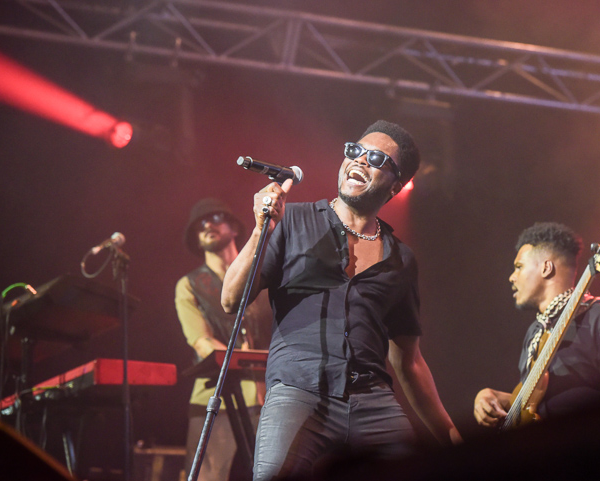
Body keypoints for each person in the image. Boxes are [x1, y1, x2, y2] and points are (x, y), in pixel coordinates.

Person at [221, 120, 462, 480]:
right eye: (355, 151)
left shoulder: (401, 259)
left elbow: (409, 361)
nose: (360, 160)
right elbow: (231, 300)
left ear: (396, 186)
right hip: (298, 388)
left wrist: (451, 435)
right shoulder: (292, 220)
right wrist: (261, 230)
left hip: (372, 399)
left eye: (376, 159)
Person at [473, 222, 600, 428]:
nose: (511, 277)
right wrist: (491, 396)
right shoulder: (534, 333)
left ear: (546, 268)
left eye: (519, 267)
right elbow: (531, 404)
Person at [175, 198, 271, 481]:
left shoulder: (264, 276)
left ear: (234, 228)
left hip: (270, 394)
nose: (207, 225)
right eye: (200, 224)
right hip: (216, 398)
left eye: (215, 218)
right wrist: (243, 358)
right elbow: (200, 341)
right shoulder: (189, 285)